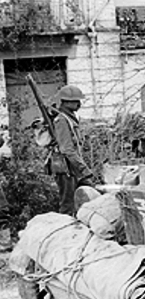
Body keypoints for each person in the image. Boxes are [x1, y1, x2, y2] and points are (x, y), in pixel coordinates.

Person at [48, 85, 93, 216]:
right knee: (67, 205)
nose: (79, 104)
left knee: (87, 196)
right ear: (66, 102)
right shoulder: (61, 120)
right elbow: (66, 149)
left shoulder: (70, 117)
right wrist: (83, 168)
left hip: (73, 166)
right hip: (66, 168)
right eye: (76, 101)